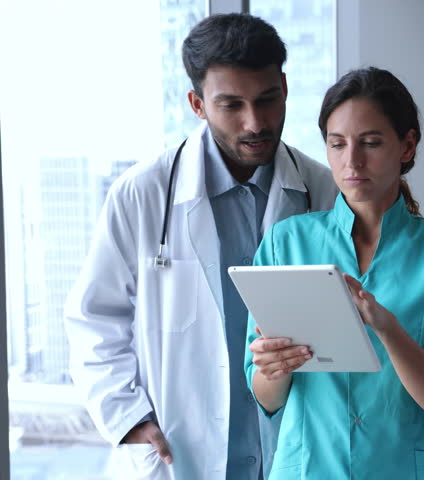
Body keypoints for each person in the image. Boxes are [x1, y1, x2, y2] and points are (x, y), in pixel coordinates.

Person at [63, 14, 336, 479]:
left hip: (292, 449)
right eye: (232, 105)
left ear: (286, 89)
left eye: (267, 100)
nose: (255, 122)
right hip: (179, 449)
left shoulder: (321, 190)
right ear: (197, 103)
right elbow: (93, 320)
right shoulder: (143, 193)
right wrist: (128, 419)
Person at [244, 67, 424, 479]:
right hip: (310, 469)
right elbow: (266, 398)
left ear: (407, 146)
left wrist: (387, 327)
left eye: (370, 143)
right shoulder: (285, 243)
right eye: (337, 144)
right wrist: (271, 368)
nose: (352, 161)